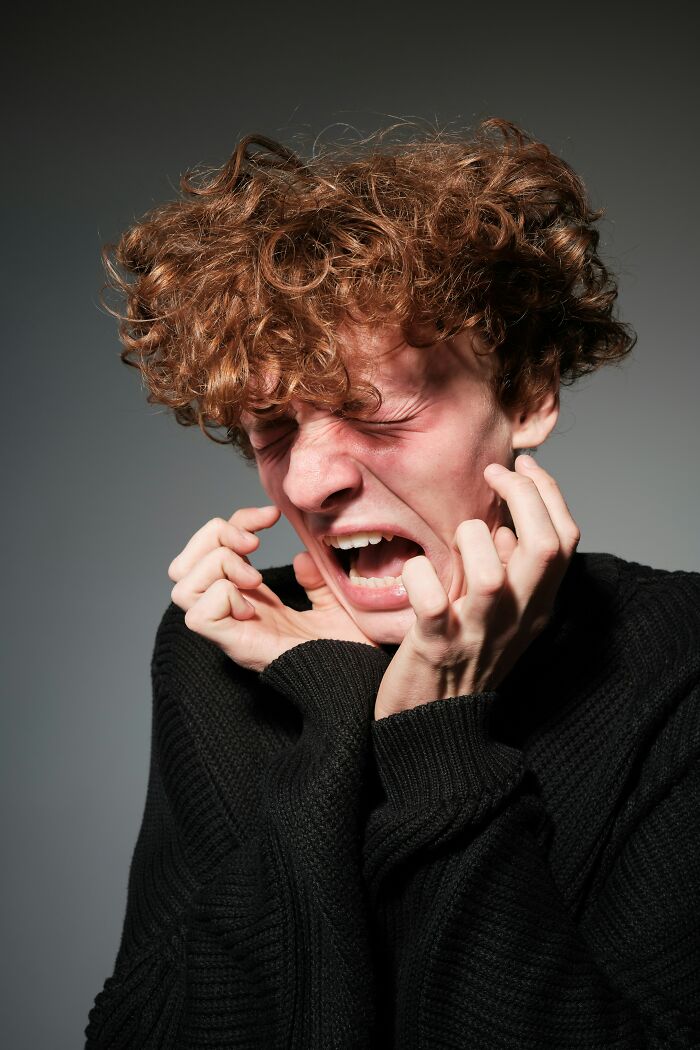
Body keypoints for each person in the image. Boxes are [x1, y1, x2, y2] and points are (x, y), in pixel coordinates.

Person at [84, 119, 700, 1048]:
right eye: (272, 429)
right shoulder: (223, 653)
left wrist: (438, 739)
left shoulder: (677, 657)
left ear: (526, 394)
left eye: (374, 408)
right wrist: (332, 695)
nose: (307, 482)